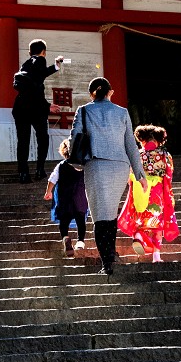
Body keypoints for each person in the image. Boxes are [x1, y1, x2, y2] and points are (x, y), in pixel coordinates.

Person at [71, 76, 148, 276]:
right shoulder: (122, 112)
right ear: (109, 92)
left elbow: (75, 139)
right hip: (120, 166)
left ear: (92, 93)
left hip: (96, 163)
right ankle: (110, 255)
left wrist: (77, 162)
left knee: (100, 215)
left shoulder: (84, 110)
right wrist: (139, 174)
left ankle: (107, 262)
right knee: (110, 212)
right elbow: (130, 144)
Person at [118, 124, 180, 263]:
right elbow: (169, 174)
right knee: (156, 222)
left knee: (140, 218)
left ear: (143, 140)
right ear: (157, 140)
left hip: (140, 189)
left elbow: (130, 175)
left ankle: (139, 236)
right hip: (157, 192)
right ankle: (156, 255)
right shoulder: (164, 155)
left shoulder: (137, 155)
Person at [12, 38, 65, 183]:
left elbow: (37, 78)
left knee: (23, 141)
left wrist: (55, 66)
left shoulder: (26, 65)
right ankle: (40, 169)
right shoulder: (40, 61)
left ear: (30, 52)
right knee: (43, 138)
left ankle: (23, 173)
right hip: (36, 109)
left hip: (21, 108)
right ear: (44, 52)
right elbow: (36, 88)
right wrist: (47, 106)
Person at [43, 137, 89, 257]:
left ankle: (65, 237)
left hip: (65, 198)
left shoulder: (61, 165)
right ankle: (80, 241)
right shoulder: (84, 165)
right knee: (80, 220)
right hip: (80, 198)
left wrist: (48, 192)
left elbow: (52, 179)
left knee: (64, 221)